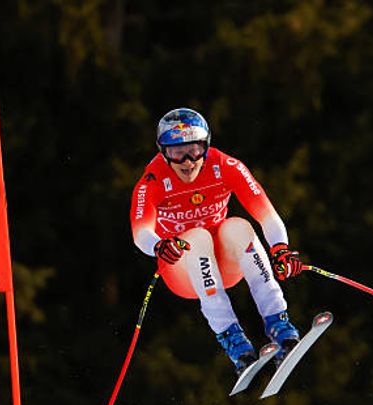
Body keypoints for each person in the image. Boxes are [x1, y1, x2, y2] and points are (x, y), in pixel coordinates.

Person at [130, 108, 304, 376]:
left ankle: (280, 325)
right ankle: (234, 342)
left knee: (238, 226)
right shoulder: (151, 180)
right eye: (177, 153)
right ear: (163, 152)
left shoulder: (225, 166)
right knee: (197, 238)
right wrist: (159, 246)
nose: (187, 162)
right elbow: (140, 231)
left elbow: (267, 214)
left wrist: (280, 248)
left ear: (206, 146)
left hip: (224, 264)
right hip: (183, 270)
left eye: (194, 150)